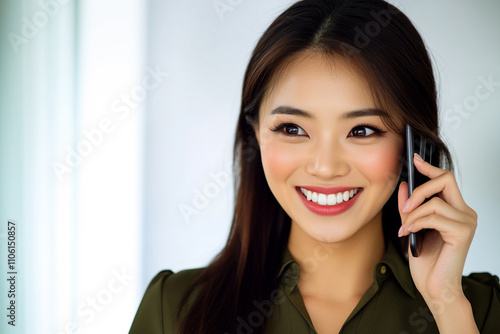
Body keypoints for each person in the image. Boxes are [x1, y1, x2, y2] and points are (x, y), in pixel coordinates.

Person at [130, 0, 500, 333]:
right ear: (255, 135)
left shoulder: (480, 311)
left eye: (362, 130)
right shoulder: (174, 311)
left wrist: (447, 304)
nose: (325, 167)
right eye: (292, 129)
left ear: (412, 145)